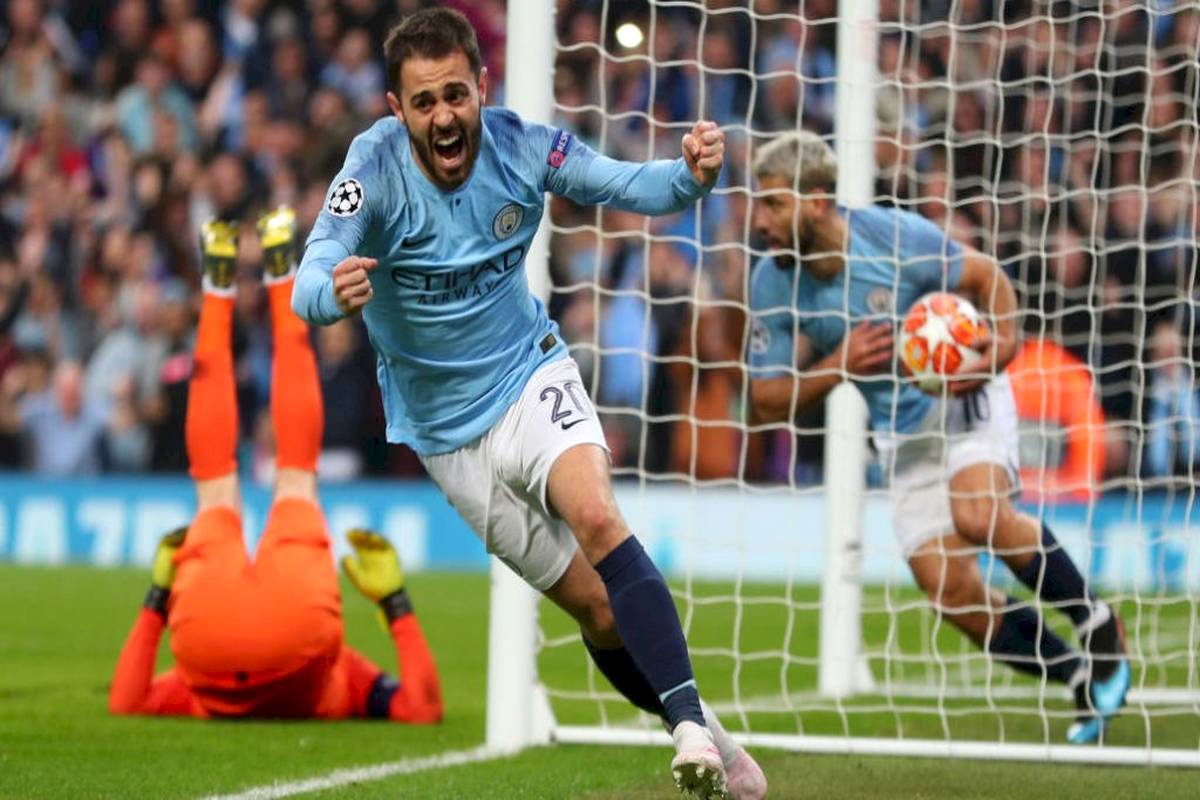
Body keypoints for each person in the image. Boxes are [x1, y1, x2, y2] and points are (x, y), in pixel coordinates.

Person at [291, 8, 764, 799]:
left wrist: (689, 177)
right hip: (447, 438)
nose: (444, 117)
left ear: (482, 86)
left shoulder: (522, 145)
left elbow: (624, 183)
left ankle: (686, 729)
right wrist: (329, 296)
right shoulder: (371, 170)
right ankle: (710, 734)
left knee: (600, 517)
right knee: (599, 614)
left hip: (528, 376)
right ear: (397, 109)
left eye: (455, 94)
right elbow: (311, 271)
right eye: (423, 102)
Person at [746, 130, 1130, 744]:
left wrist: (999, 350)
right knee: (952, 594)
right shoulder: (769, 281)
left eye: (773, 204)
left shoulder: (893, 237)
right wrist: (837, 364)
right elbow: (763, 401)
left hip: (961, 395)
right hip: (902, 434)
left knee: (977, 514)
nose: (759, 221)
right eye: (758, 204)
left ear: (816, 202)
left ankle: (1098, 622)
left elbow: (986, 276)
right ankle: (1078, 676)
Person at [109, 208, 442, 724]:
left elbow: (122, 703)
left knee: (283, 478)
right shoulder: (335, 678)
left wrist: (394, 602)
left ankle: (246, 282)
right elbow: (424, 710)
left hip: (222, 636)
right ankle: (247, 284)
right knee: (224, 486)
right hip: (238, 636)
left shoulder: (204, 683)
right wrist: (395, 606)